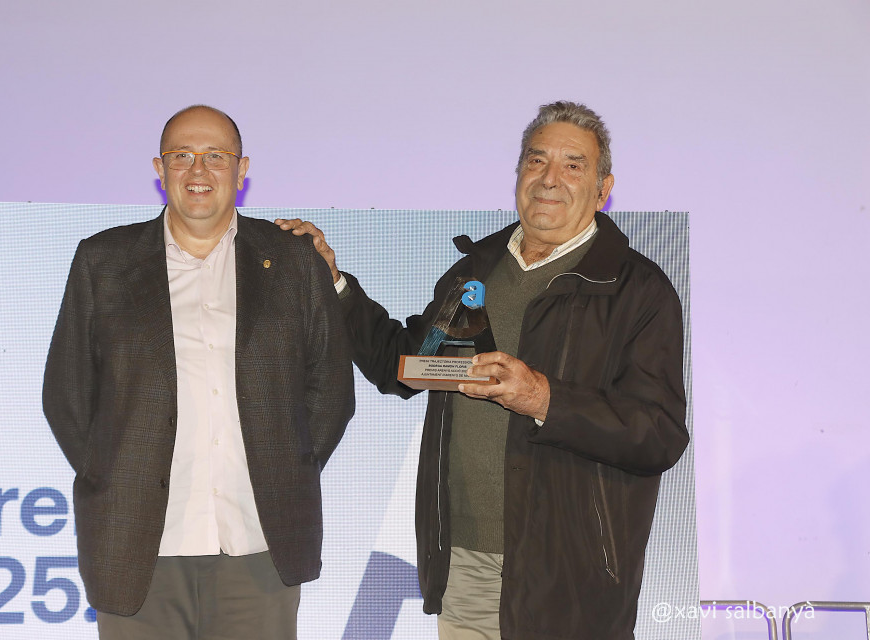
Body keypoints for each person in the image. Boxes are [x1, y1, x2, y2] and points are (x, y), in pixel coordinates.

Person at [276, 101, 690, 639]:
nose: (550, 178)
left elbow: (658, 435)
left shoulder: (637, 290)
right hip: (465, 564)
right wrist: (333, 282)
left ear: (602, 189)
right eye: (536, 160)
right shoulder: (476, 271)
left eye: (573, 165)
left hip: (571, 578)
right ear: (518, 173)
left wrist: (543, 397)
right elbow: (403, 365)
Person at [43, 105, 354, 639]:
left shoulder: (293, 262)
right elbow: (67, 396)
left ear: (242, 169)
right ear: (160, 170)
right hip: (136, 548)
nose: (198, 170)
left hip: (258, 544)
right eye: (182, 156)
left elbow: (331, 391)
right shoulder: (103, 261)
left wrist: (285, 466)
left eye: (216, 156)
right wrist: (115, 473)